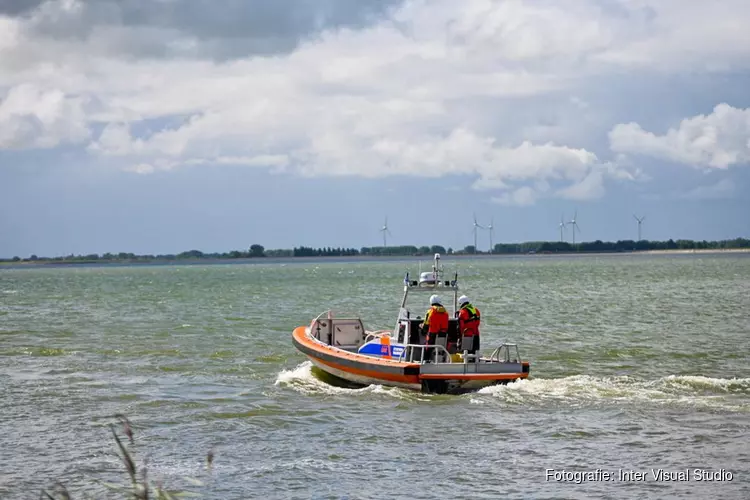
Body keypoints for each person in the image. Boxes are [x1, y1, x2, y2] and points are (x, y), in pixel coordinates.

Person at [420, 294, 449, 362]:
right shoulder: (446, 312)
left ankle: (425, 360)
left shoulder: (430, 311)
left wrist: (422, 327)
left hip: (432, 337)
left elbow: (426, 326)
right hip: (443, 337)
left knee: (426, 346)